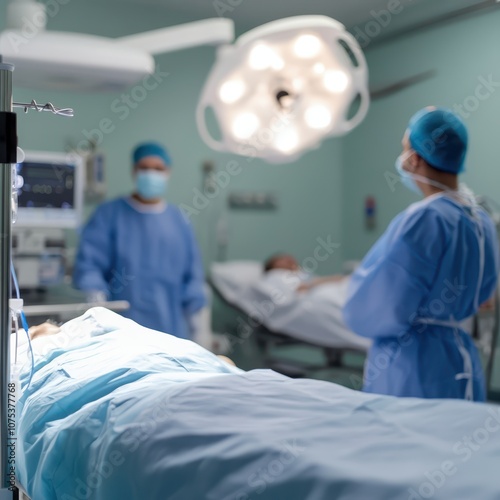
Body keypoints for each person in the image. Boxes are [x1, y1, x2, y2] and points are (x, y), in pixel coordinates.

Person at [343, 106, 499, 401]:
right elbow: (483, 294)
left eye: (404, 150)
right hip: (461, 357)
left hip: (413, 366)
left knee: (404, 444)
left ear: (414, 159)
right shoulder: (481, 220)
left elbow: (380, 301)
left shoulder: (425, 218)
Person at [73, 142, 206, 339]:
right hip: (120, 331)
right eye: (144, 168)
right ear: (134, 170)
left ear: (168, 172)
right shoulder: (110, 215)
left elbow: (193, 277)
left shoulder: (179, 220)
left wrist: (198, 323)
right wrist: (96, 300)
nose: (151, 173)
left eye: (158, 169)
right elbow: (89, 265)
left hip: (171, 331)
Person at [263, 253, 347, 292]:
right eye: (280, 260)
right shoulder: (274, 275)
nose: (287, 258)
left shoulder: (302, 272)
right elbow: (300, 289)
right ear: (273, 267)